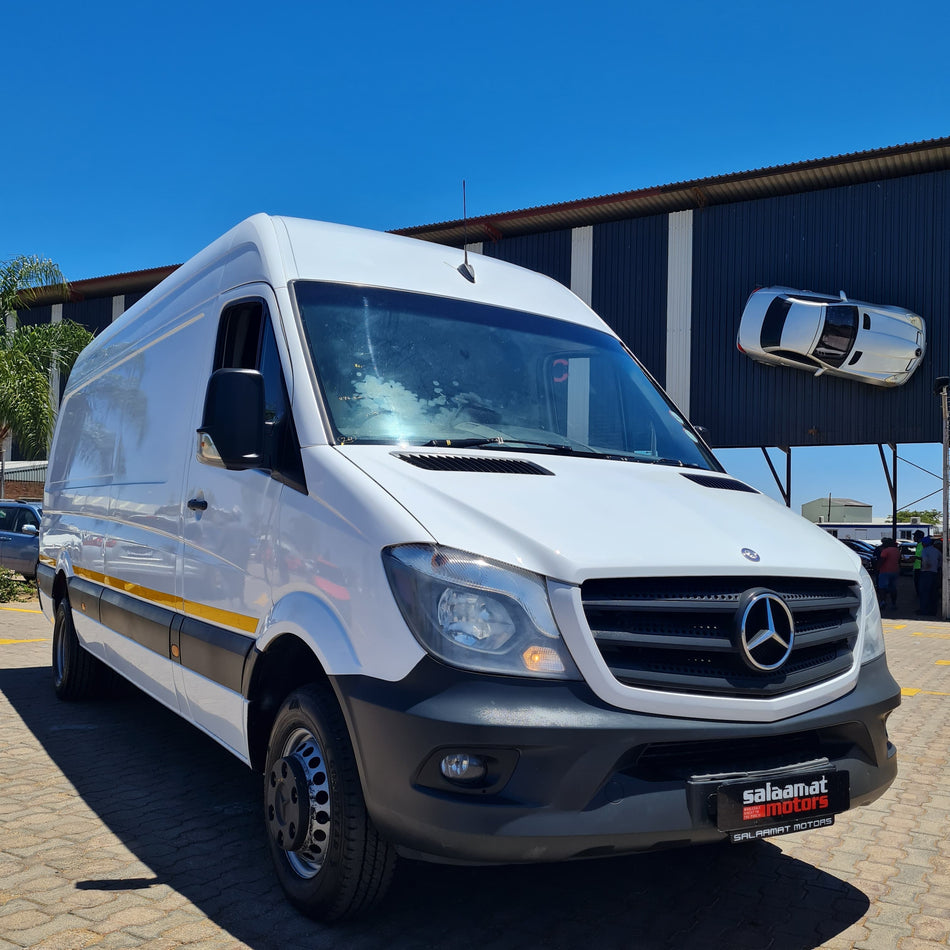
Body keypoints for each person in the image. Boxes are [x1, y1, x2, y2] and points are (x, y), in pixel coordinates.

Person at [875, 538, 900, 611]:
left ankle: (883, 601)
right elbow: (899, 560)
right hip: (895, 571)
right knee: (893, 588)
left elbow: (882, 560)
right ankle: (893, 603)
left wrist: (877, 567)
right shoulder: (897, 551)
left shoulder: (885, 551)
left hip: (884, 571)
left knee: (882, 587)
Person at [918, 536, 940, 616]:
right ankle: (933, 611)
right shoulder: (936, 551)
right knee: (933, 593)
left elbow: (925, 561)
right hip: (935, 573)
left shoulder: (925, 550)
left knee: (924, 592)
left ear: (924, 543)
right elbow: (941, 560)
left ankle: (924, 610)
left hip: (926, 573)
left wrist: (926, 567)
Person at [912, 530, 925, 596]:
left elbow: (925, 557)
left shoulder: (922, 544)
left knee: (919, 583)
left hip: (921, 567)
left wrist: (916, 558)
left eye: (914, 536)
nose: (913, 538)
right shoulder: (918, 545)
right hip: (917, 567)